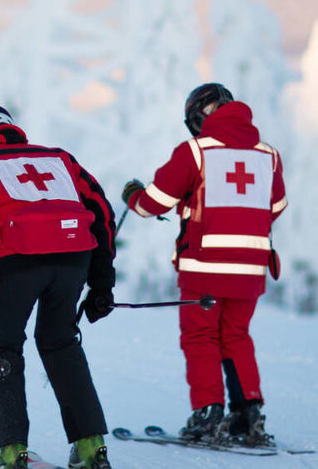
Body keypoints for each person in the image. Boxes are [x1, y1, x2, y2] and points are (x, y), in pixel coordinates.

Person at [0, 103, 121, 469]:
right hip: (73, 258)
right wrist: (102, 283)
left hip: (16, 262)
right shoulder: (58, 158)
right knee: (61, 343)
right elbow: (101, 212)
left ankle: (9, 456)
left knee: (2, 347)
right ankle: (91, 450)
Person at [120, 83, 286, 447]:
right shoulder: (268, 155)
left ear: (198, 118)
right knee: (236, 336)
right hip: (251, 269)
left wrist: (133, 196)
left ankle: (208, 415)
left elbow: (154, 203)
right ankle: (248, 415)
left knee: (201, 338)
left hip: (204, 266)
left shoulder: (196, 151)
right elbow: (275, 206)